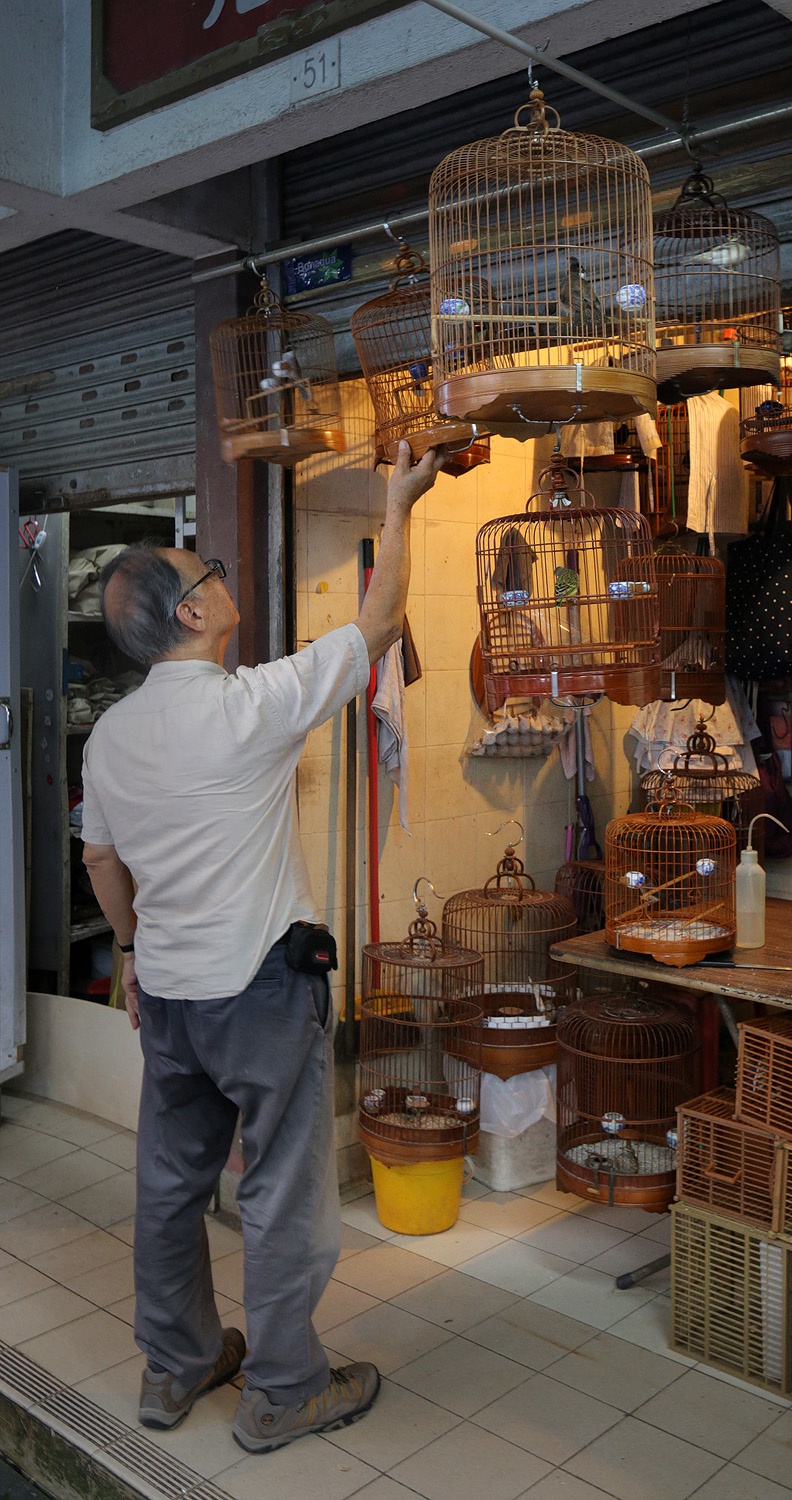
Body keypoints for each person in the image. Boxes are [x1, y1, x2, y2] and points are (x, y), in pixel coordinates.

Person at [81, 441, 445, 1454]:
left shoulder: (109, 738)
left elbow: (104, 862)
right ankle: (284, 1387)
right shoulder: (248, 709)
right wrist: (396, 502)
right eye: (212, 576)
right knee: (283, 1189)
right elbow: (376, 627)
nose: (224, 581)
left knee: (168, 1184)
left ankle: (178, 1364)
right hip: (261, 991)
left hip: (170, 995)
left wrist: (130, 952)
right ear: (193, 614)